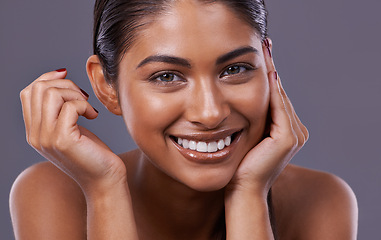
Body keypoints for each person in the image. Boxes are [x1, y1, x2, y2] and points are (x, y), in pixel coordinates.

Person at [10, 0, 358, 239]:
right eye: (167, 76)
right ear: (106, 85)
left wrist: (248, 195)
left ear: (268, 69)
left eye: (235, 69)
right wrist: (104, 191)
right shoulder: (53, 193)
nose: (210, 113)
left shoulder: (320, 201)